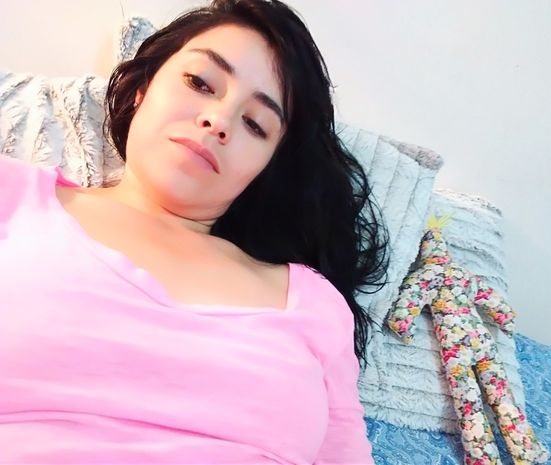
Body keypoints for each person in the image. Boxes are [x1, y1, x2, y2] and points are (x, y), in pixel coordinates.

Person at [0, 0, 389, 463]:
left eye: (255, 124)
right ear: (142, 88)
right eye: (200, 83)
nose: (218, 121)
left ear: (265, 168)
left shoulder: (315, 304)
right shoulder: (12, 195)